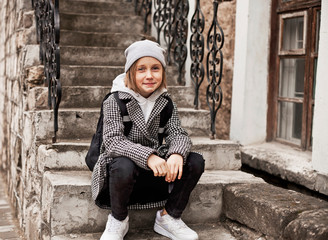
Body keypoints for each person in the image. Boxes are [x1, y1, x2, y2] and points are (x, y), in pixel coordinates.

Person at [91, 40, 205, 240]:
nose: (149, 75)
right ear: (131, 73)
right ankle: (118, 220)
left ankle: (168, 217)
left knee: (195, 161)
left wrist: (176, 153)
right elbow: (113, 141)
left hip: (154, 172)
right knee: (123, 164)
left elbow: (178, 133)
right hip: (119, 173)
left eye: (155, 68)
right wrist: (149, 156)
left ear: (162, 72)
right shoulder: (115, 100)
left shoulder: (166, 102)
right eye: (141, 69)